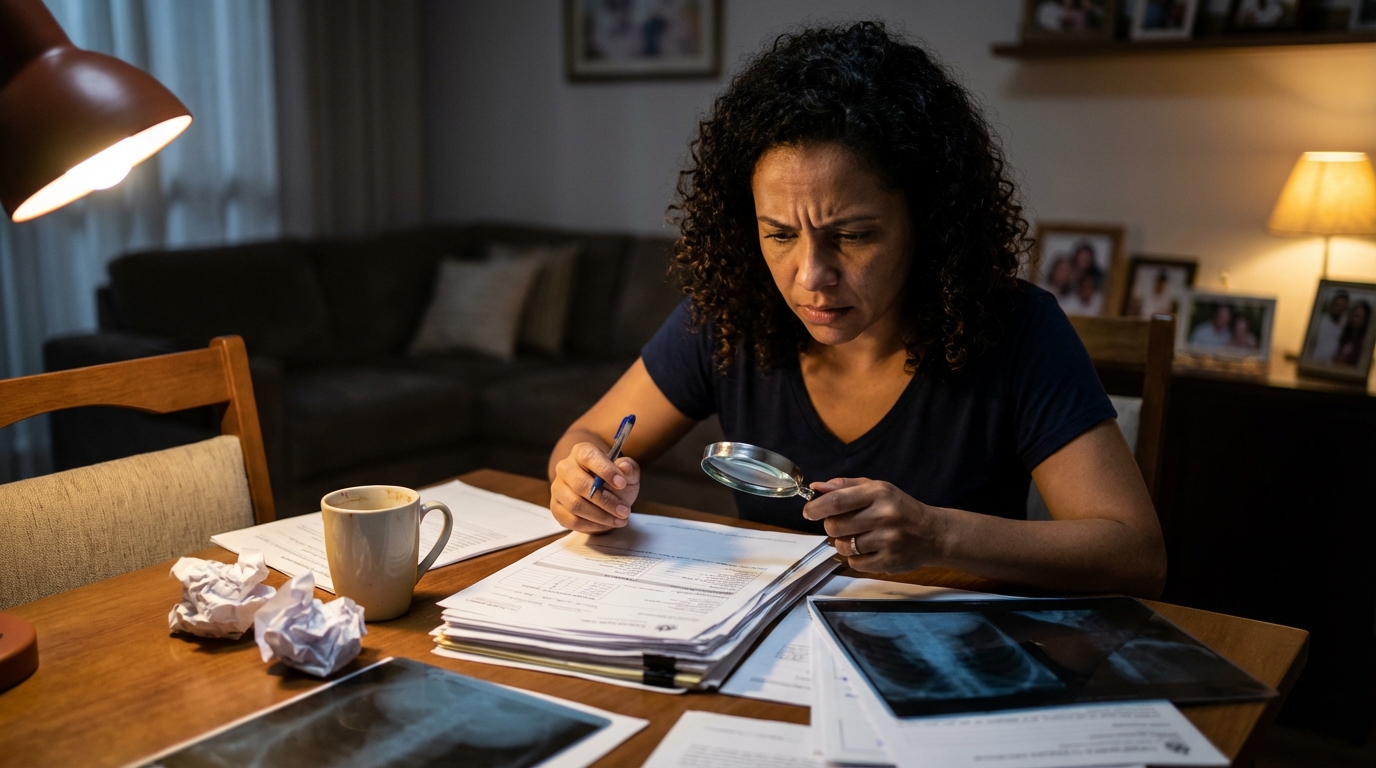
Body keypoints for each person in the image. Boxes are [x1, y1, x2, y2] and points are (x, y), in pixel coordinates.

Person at [546, 22, 1166, 598]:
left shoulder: (1016, 329)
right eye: (780, 234)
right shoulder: (729, 317)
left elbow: (1135, 554)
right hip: (762, 653)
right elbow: (590, 437)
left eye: (854, 235)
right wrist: (580, 482)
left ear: (927, 222)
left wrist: (939, 535)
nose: (811, 276)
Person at [1311, 291, 1349, 364]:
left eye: (1342, 305)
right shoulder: (1320, 321)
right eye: (1337, 304)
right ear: (1332, 305)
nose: (1339, 308)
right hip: (1315, 362)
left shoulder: (1345, 325)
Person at [1333, 300, 1371, 367]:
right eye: (1353, 315)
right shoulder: (1345, 335)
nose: (1354, 319)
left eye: (1358, 316)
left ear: (1365, 319)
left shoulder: (1365, 342)